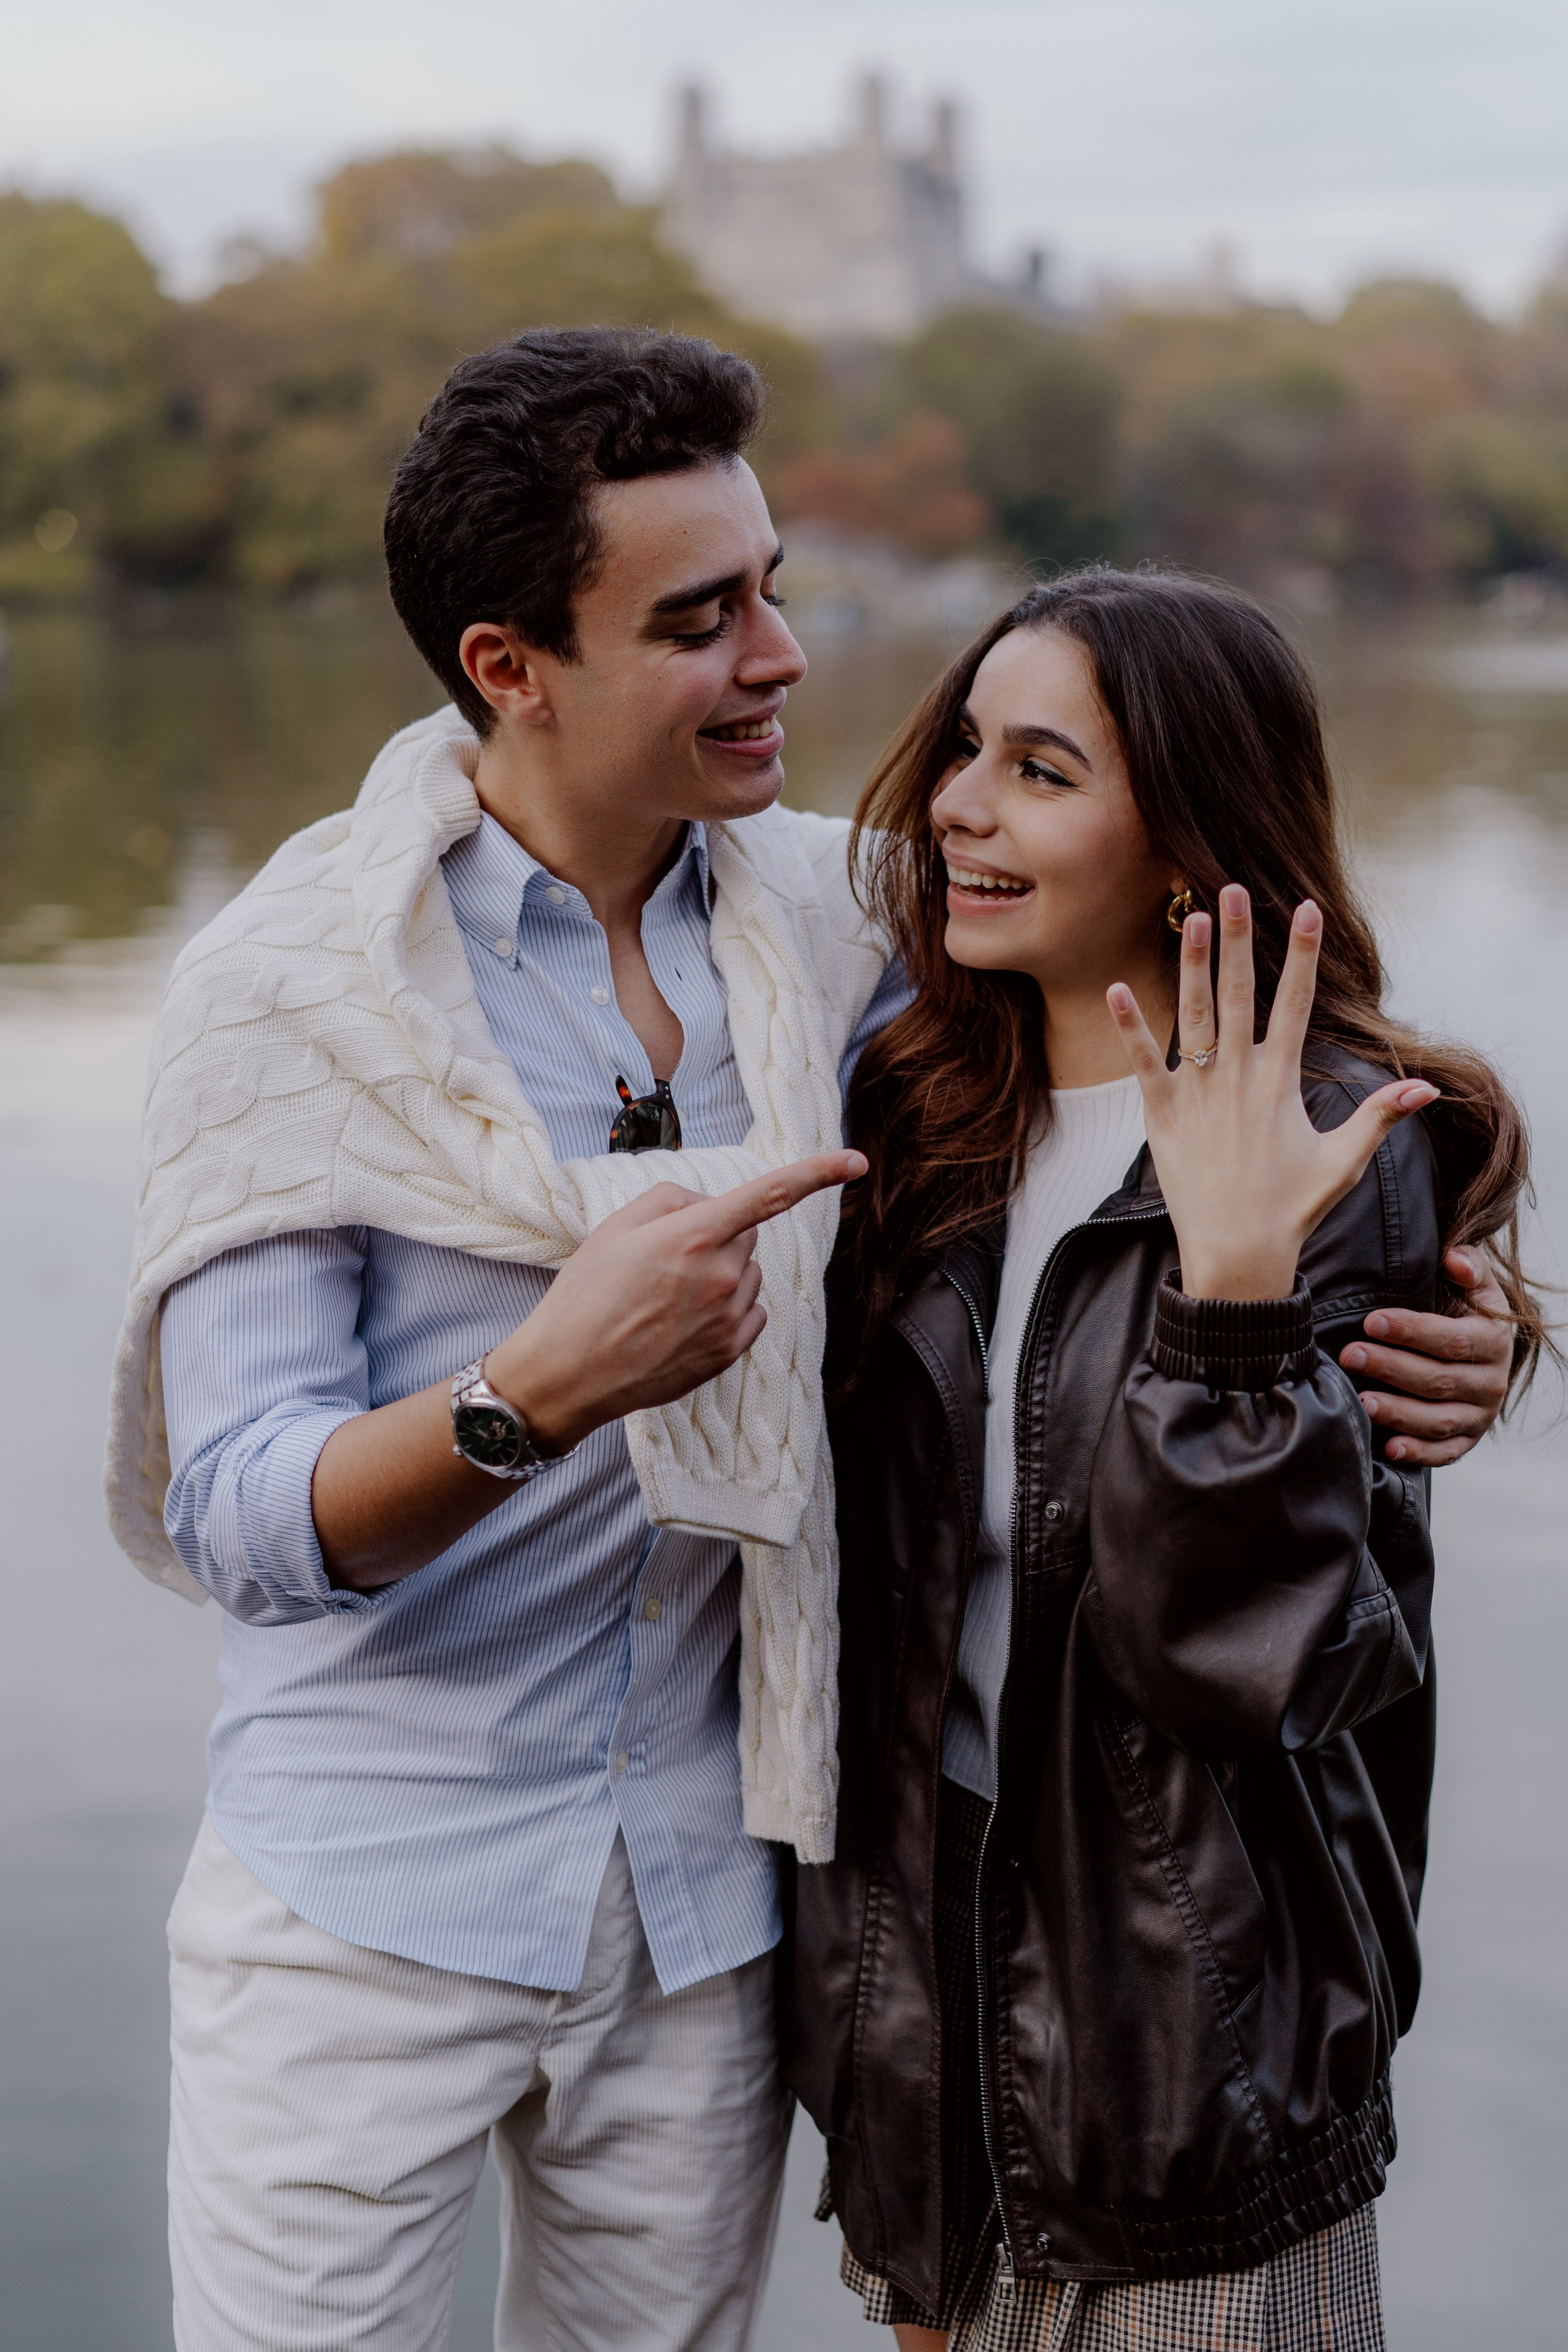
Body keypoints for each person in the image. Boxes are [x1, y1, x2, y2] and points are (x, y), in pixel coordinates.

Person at [101, 332, 1511, 2352]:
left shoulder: (848, 936)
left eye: (772, 585)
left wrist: (1455, 1343)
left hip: (720, 1905)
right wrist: (535, 1395)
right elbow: (235, 1519)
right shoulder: (288, 991)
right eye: (703, 618)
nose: (783, 654)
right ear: (512, 666)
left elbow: (1217, 1044)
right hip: (373, 1903)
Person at [784, 568, 1553, 2352]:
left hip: (1196, 2051)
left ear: (1189, 833)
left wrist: (1228, 1306)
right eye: (967, 747)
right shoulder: (910, 1120)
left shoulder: (1332, 1149)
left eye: (1042, 770)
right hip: (931, 2033)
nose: (962, 804)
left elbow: (1246, 1659)